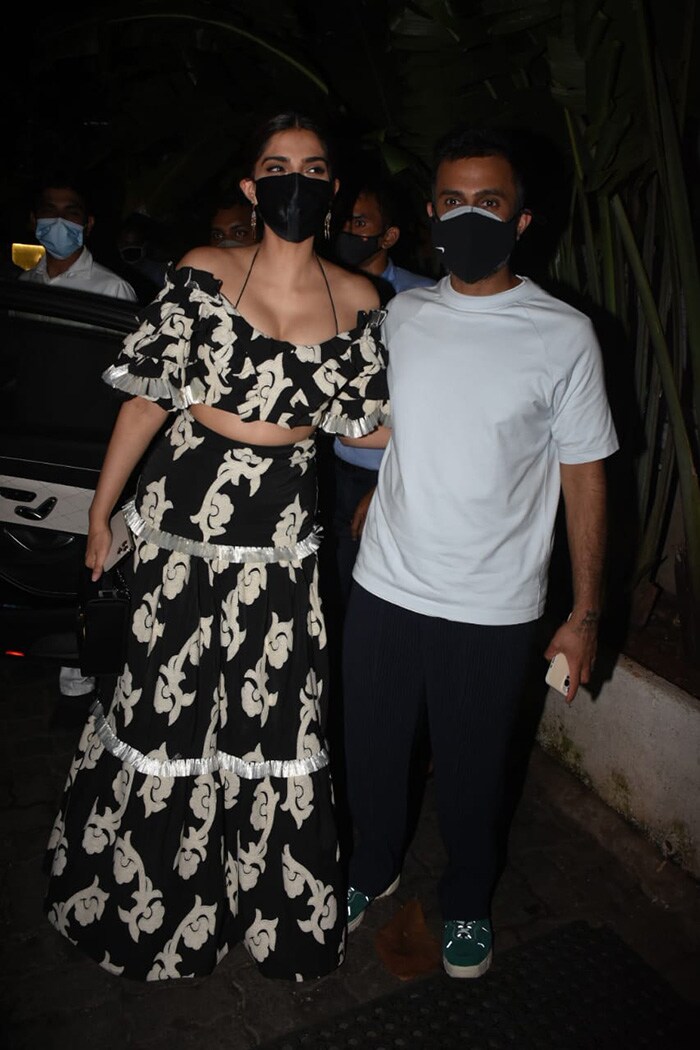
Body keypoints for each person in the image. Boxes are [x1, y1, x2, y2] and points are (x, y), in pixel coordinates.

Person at [43, 111, 388, 983]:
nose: (295, 182)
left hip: (279, 552)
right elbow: (146, 403)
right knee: (167, 716)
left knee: (272, 723)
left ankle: (271, 918)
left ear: (333, 188)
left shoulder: (360, 299)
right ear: (250, 186)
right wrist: (101, 509)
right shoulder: (203, 274)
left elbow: (371, 429)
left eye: (313, 169)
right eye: (277, 167)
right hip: (181, 536)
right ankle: (153, 912)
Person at [340, 126, 619, 979]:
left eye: (487, 203)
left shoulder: (563, 334)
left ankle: (467, 899)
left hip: (492, 606)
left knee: (472, 771)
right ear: (429, 214)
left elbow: (584, 476)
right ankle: (370, 868)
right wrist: (372, 495)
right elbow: (388, 424)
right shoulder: (403, 313)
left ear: (521, 219)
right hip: (385, 582)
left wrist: (583, 614)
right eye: (453, 201)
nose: (468, 217)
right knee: (372, 750)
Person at [20, 174, 137, 707]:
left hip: (83, 443)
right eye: (50, 211)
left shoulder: (111, 290)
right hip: (30, 435)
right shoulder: (23, 277)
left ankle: (84, 673)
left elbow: (126, 388)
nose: (59, 223)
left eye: (72, 213)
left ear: (88, 224)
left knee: (88, 559)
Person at [331, 182, 434, 604]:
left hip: (398, 467)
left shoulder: (422, 297)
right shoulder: (320, 286)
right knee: (336, 586)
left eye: (360, 223)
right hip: (333, 466)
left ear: (388, 236)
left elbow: (437, 403)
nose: (348, 232)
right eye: (343, 222)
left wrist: (393, 479)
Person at [116, 211, 168, 301]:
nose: (130, 248)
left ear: (144, 244)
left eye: (135, 243)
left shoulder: (159, 273)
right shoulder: (114, 270)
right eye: (125, 243)